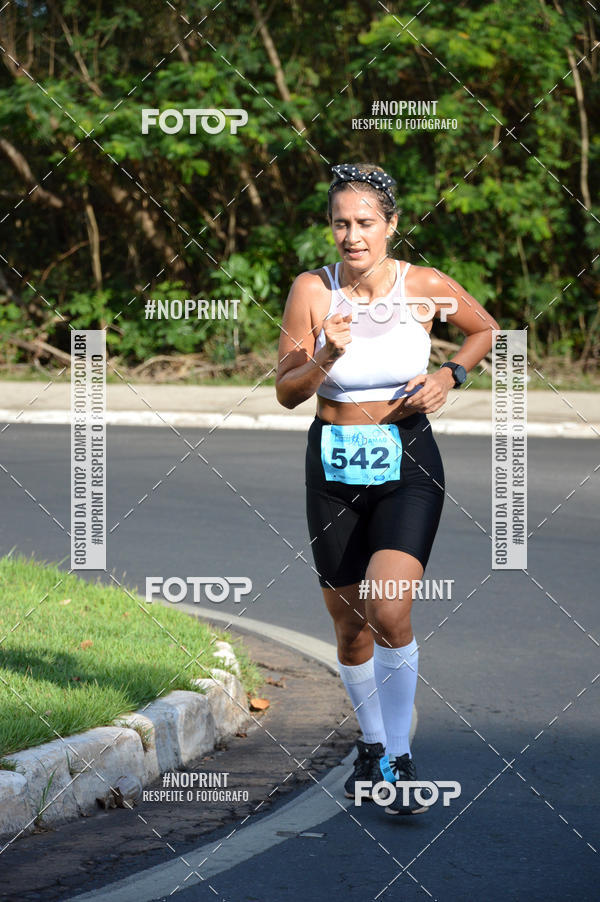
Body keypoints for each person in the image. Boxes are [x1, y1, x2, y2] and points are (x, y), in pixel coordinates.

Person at [275, 162, 498, 815]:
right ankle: (371, 745)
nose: (352, 236)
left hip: (408, 460)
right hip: (333, 466)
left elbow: (485, 329)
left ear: (391, 224)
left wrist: (450, 375)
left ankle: (399, 758)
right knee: (350, 626)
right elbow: (286, 391)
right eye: (340, 223)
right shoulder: (312, 290)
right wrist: (325, 356)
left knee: (388, 608)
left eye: (365, 222)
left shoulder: (422, 286)